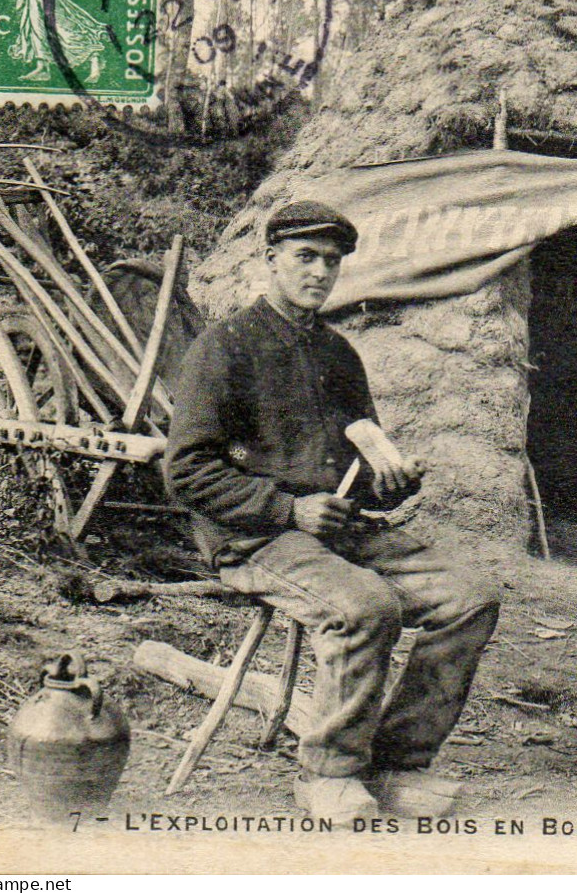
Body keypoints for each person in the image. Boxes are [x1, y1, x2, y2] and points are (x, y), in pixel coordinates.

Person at [165, 200, 500, 822]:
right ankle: (330, 774)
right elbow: (185, 471)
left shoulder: (339, 355)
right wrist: (288, 511)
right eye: (306, 257)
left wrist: (390, 482)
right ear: (271, 260)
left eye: (332, 261)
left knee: (471, 597)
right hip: (253, 537)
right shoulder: (225, 347)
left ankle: (398, 763)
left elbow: (355, 470)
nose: (320, 272)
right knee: (364, 607)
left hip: (338, 531)